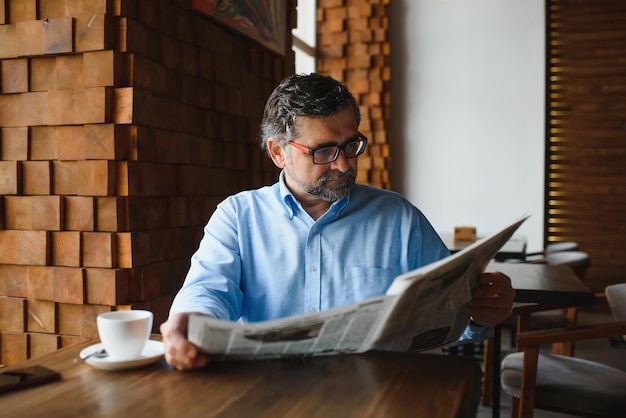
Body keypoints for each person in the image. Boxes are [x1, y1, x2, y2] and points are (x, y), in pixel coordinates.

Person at [160, 73, 515, 370]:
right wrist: (188, 320)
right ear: (278, 152)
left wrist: (483, 312)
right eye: (324, 151)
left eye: (350, 146)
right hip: (271, 395)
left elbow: (453, 310)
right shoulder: (238, 217)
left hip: (380, 397)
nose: (344, 165)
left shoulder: (398, 218)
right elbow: (207, 290)